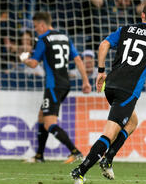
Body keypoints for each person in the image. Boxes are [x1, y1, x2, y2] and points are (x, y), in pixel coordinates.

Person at [71, 5, 146, 184]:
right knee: (109, 133)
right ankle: (80, 171)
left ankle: (108, 160)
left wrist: (101, 71)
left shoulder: (125, 29)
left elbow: (104, 44)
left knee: (131, 123)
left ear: (143, 14)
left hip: (110, 84)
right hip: (127, 91)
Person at [21, 12, 92, 163]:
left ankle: (75, 152)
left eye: (35, 27)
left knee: (49, 123)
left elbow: (34, 64)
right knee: (42, 116)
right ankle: (39, 156)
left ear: (42, 25)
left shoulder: (43, 39)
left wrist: (25, 59)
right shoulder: (65, 38)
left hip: (53, 85)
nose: (35, 30)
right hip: (65, 84)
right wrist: (85, 81)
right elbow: (78, 60)